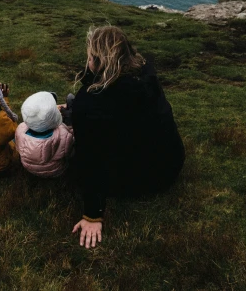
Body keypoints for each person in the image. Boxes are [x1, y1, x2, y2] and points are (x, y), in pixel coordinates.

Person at [70, 26, 185, 249]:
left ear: (96, 60)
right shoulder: (146, 75)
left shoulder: (90, 104)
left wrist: (92, 215)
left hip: (138, 180)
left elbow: (90, 158)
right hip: (170, 165)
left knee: (70, 149)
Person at [15, 91, 75, 177]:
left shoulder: (20, 129)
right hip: (55, 170)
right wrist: (69, 127)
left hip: (29, 168)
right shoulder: (63, 134)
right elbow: (69, 153)